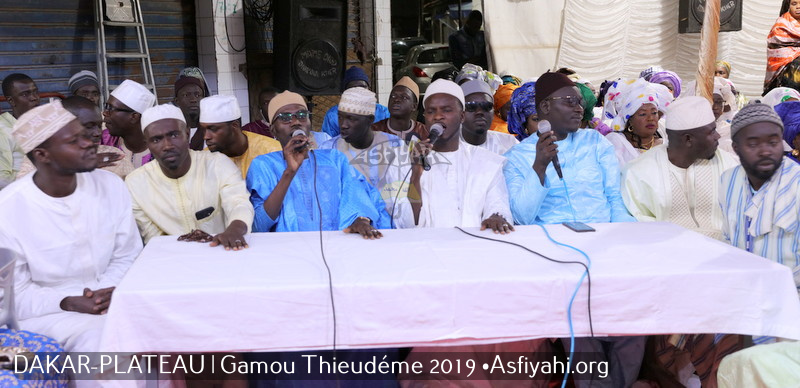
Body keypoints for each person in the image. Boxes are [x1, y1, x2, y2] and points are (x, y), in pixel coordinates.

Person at [503, 72, 641, 388]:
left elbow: (613, 198)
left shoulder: (596, 143)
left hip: (606, 251)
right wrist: (540, 165)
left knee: (634, 323)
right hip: (556, 259)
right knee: (579, 323)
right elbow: (522, 217)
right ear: (545, 108)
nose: (579, 108)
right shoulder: (518, 156)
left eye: (580, 102)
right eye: (569, 101)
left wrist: (630, 244)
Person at [0, 100, 141, 357]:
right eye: (74, 141)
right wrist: (68, 302)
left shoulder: (111, 186)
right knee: (100, 340)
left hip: (116, 296)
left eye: (85, 134)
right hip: (48, 315)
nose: (89, 143)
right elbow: (13, 295)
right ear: (42, 155)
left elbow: (127, 254)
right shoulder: (8, 210)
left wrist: (104, 294)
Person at [247, 91, 388, 235]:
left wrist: (360, 220)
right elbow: (259, 225)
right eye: (285, 118)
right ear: (273, 130)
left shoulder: (334, 159)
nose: (296, 122)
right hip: (287, 250)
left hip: (337, 247)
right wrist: (289, 172)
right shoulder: (263, 165)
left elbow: (356, 195)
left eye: (302, 115)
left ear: (309, 123)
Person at [387, 79, 514, 232]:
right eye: (431, 111)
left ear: (462, 116)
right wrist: (415, 175)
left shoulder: (486, 162)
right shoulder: (403, 162)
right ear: (424, 116)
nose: (438, 116)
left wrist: (496, 216)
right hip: (425, 249)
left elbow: (498, 205)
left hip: (475, 250)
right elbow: (404, 224)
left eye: (446, 110)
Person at [125, 104, 254, 248]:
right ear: (147, 143)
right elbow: (153, 239)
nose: (167, 145)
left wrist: (235, 229)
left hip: (222, 249)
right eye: (156, 139)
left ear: (187, 134)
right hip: (172, 259)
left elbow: (238, 203)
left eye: (174, 135)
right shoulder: (136, 183)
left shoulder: (217, 164)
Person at [622, 96, 737, 240]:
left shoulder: (727, 163)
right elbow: (639, 227)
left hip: (725, 254)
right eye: (711, 131)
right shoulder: (638, 173)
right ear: (688, 139)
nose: (718, 136)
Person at [720, 102, 800, 288]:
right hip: (741, 291)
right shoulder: (728, 181)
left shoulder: (796, 183)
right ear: (736, 148)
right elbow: (728, 238)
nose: (765, 151)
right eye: (753, 144)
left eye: (773, 142)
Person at [16, 96, 133, 180]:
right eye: (88, 126)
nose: (98, 133)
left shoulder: (114, 156)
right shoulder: (37, 159)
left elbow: (134, 197)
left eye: (98, 125)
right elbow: (28, 197)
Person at [320, 87, 402, 188]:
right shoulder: (328, 150)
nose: (343, 125)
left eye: (351, 118)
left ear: (370, 120)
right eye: (340, 117)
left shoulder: (394, 147)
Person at [200, 94, 281, 179]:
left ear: (235, 126)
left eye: (213, 129)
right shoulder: (204, 161)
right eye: (203, 129)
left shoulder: (271, 151)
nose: (206, 136)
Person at [603, 78, 673, 166]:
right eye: (643, 114)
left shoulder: (666, 144)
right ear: (630, 119)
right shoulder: (616, 143)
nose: (650, 118)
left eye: (654, 113)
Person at [320, 66, 390, 137]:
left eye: (362, 87)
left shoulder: (383, 112)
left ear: (369, 89)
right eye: (353, 88)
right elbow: (328, 143)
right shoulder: (333, 115)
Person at [103, 79, 156, 168]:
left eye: (111, 108)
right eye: (106, 106)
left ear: (134, 117)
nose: (104, 113)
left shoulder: (161, 151)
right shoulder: (103, 140)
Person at [459, 79, 518, 154]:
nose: (479, 112)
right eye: (471, 106)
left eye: (487, 106)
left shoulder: (510, 144)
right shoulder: (445, 148)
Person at [0, 74, 38, 189]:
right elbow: (2, 179)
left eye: (35, 92)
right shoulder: (3, 130)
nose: (34, 97)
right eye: (25, 94)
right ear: (11, 101)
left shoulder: (43, 122)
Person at [371, 76, 428, 141]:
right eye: (393, 96)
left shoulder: (424, 132)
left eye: (404, 97)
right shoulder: (374, 130)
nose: (396, 99)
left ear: (414, 106)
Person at [765, 0, 800, 93]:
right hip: (786, 68)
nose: (798, 7)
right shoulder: (781, 24)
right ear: (788, 5)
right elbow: (778, 49)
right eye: (794, 4)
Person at [174, 76, 206, 150]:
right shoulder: (171, 132)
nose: (193, 100)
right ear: (177, 101)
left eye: (197, 95)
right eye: (186, 95)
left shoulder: (211, 131)